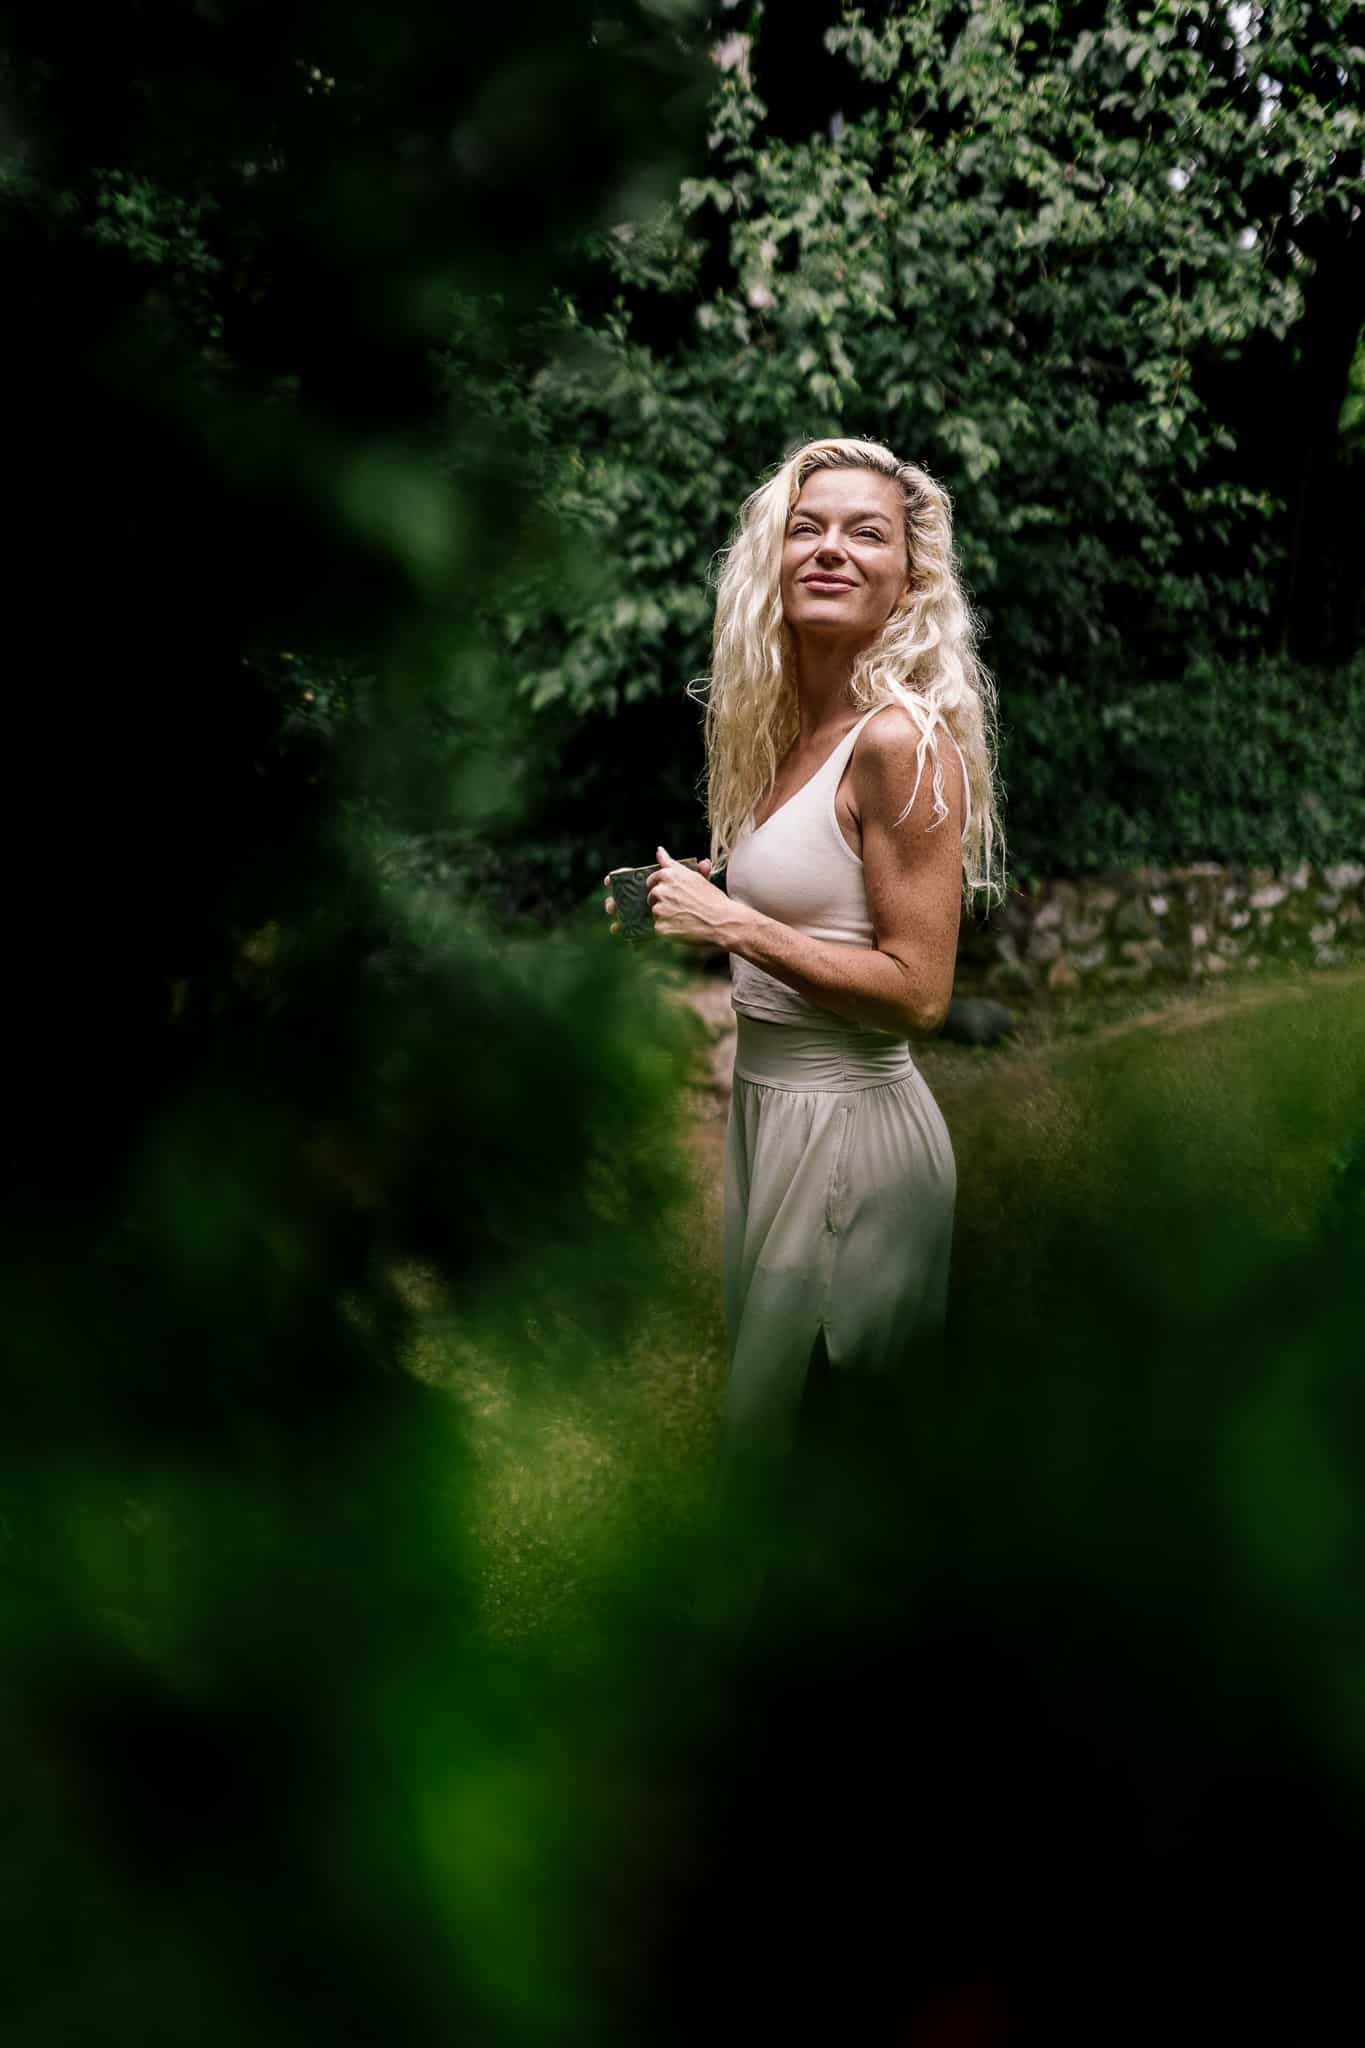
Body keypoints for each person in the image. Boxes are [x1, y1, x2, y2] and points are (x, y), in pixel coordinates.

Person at [604, 435, 1003, 1629]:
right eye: (808, 524)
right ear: (774, 556)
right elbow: (815, 901)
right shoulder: (796, 733)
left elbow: (919, 989)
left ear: (910, 577)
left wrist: (732, 918)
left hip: (853, 1140)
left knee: (828, 1487)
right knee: (781, 1455)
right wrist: (700, 897)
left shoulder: (900, 737)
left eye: (865, 530)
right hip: (772, 1125)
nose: (831, 546)